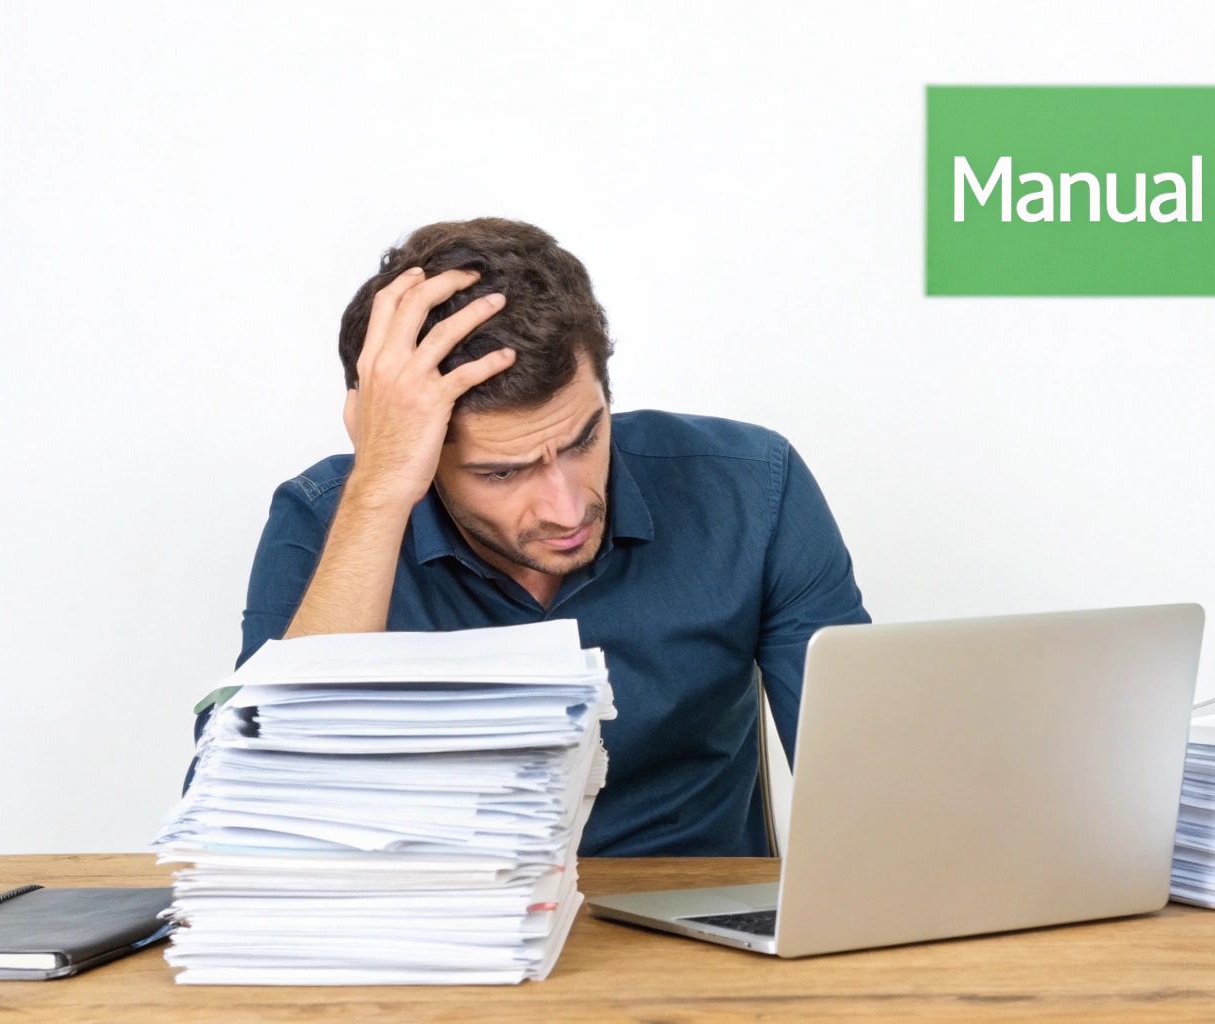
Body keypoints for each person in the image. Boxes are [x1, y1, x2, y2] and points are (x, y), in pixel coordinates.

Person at [181, 217, 871, 856]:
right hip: (433, 948)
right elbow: (250, 819)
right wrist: (379, 489)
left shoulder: (752, 489)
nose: (567, 509)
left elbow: (871, 788)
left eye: (584, 439)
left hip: (689, 949)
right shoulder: (328, 518)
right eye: (500, 472)